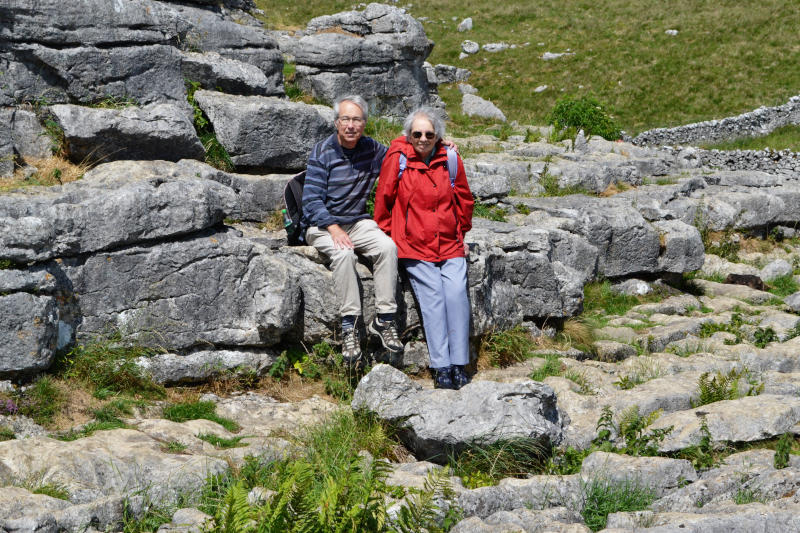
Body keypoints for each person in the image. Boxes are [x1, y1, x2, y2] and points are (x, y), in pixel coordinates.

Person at [373, 107, 475, 389]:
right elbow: (384, 196)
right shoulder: (399, 157)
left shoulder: (450, 158)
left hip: (449, 243)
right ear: (408, 134)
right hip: (414, 245)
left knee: (455, 295)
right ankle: (442, 366)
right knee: (433, 299)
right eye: (417, 133)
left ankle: (459, 363)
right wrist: (388, 236)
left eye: (429, 134)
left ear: (438, 136)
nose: (423, 139)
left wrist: (461, 233)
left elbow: (464, 199)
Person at [302, 95, 405, 365]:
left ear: (365, 124)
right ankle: (350, 325)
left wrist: (443, 144)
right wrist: (334, 229)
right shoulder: (322, 151)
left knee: (387, 247)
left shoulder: (372, 149)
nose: (350, 125)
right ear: (336, 122)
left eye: (356, 119)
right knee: (345, 254)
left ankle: (384, 320)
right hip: (322, 225)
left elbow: (402, 151)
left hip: (357, 221)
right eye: (345, 119)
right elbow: (310, 201)